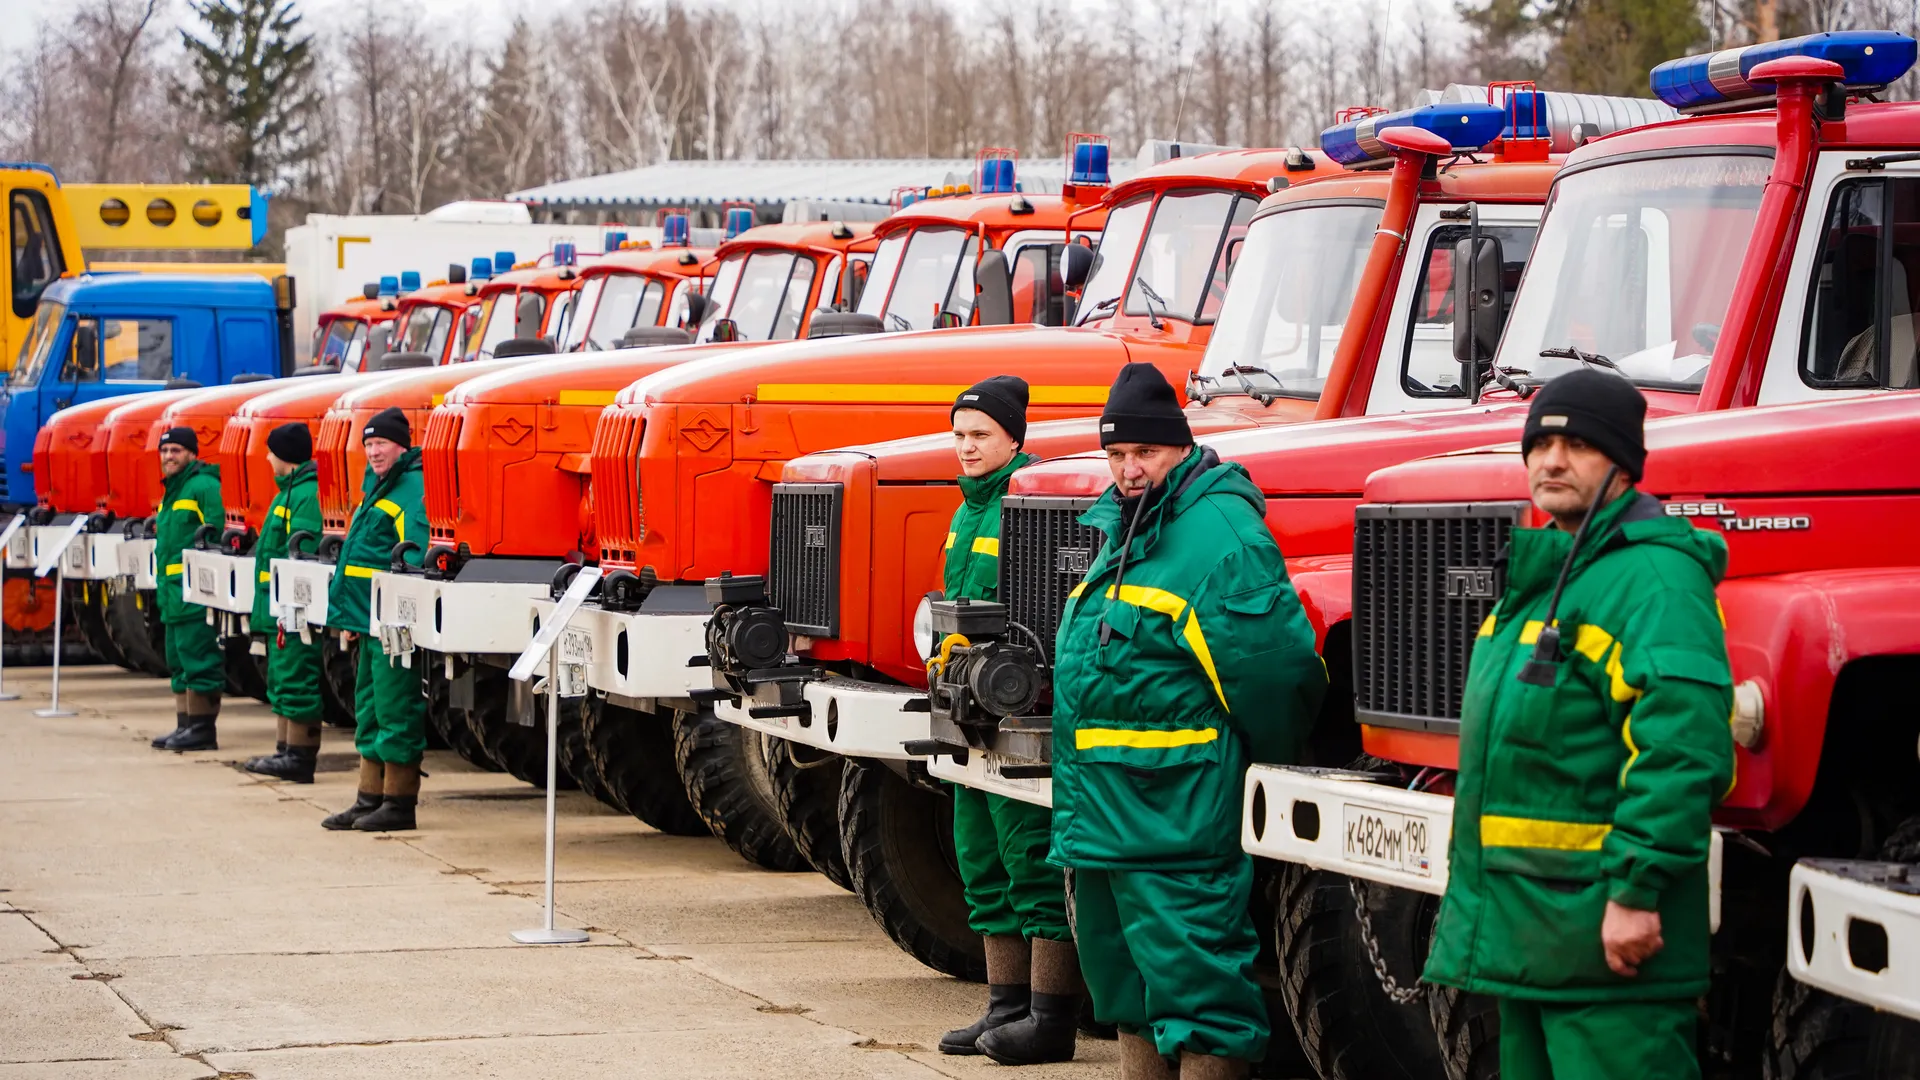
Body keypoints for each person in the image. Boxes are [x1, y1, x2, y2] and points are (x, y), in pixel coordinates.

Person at [1422, 369, 1735, 1080]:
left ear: (1623, 463)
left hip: (1604, 944)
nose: (1551, 460)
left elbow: (1681, 750)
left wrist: (1635, 892)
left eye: (1579, 444)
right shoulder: (1548, 581)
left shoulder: (1655, 583)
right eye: (1540, 443)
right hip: (1533, 940)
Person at [1048, 363, 1326, 1080]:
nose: (1129, 470)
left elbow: (1275, 677)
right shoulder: (1126, 525)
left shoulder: (1219, 538)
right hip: (1110, 817)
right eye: (1116, 455)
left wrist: (1258, 772)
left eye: (1144, 453)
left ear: (1180, 446)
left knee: (1199, 992)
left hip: (1177, 816)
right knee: (1129, 991)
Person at [934, 377, 1082, 1066]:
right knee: (981, 856)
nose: (966, 447)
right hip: (968, 702)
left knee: (1029, 857)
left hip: (1015, 705)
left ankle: (1049, 1016)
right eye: (960, 435)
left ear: (1014, 439)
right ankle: (1004, 1005)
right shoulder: (968, 510)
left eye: (980, 436)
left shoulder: (1025, 504)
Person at [320, 407, 428, 832]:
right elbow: (357, 559)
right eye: (368, 444)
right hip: (367, 621)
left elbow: (414, 555)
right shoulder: (377, 488)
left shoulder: (410, 488)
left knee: (394, 706)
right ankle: (369, 798)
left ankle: (400, 804)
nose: (373, 451)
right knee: (368, 707)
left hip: (393, 626)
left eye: (380, 442)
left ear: (400, 444)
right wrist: (348, 615)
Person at [243, 423, 326, 783]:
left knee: (296, 677)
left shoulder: (305, 496)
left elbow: (301, 553)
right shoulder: (287, 493)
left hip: (293, 609)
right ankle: (284, 750)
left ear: (284, 456)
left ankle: (299, 757)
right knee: (281, 678)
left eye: (270, 451)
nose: (266, 457)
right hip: (278, 608)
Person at [148, 426, 225, 752]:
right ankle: (185, 724)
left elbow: (216, 531)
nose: (169, 457)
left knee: (199, 658)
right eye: (165, 451)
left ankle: (202, 729)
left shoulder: (202, 486)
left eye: (176, 451)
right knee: (178, 658)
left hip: (192, 594)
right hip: (171, 593)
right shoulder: (173, 491)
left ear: (192, 453)